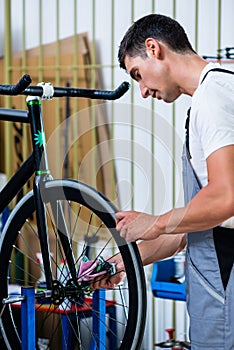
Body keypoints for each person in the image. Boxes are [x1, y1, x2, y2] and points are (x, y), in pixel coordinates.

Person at [94, 14, 234, 349]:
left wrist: (155, 223)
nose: (142, 91)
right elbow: (199, 226)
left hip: (224, 290)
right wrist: (122, 262)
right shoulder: (220, 87)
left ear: (154, 48)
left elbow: (225, 199)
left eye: (138, 75)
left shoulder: (212, 98)